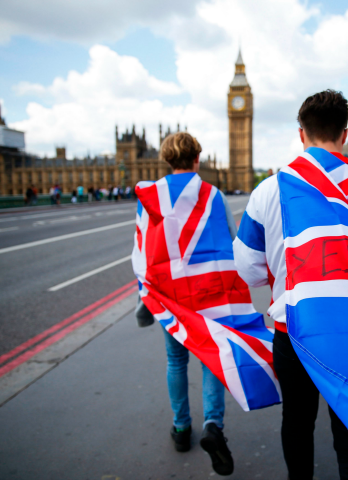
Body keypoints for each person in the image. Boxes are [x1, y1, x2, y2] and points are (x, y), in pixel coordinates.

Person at [233, 90, 348, 480]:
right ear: (344, 134)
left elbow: (247, 268)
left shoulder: (269, 190)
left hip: (294, 328)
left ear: (301, 134)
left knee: (297, 420)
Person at [135, 132, 235, 475]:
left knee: (175, 361)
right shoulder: (213, 194)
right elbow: (229, 242)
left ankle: (181, 429)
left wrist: (143, 294)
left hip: (170, 296)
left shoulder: (150, 195)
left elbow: (142, 248)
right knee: (210, 359)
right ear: (197, 159)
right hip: (208, 294)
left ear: (166, 160)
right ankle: (213, 426)